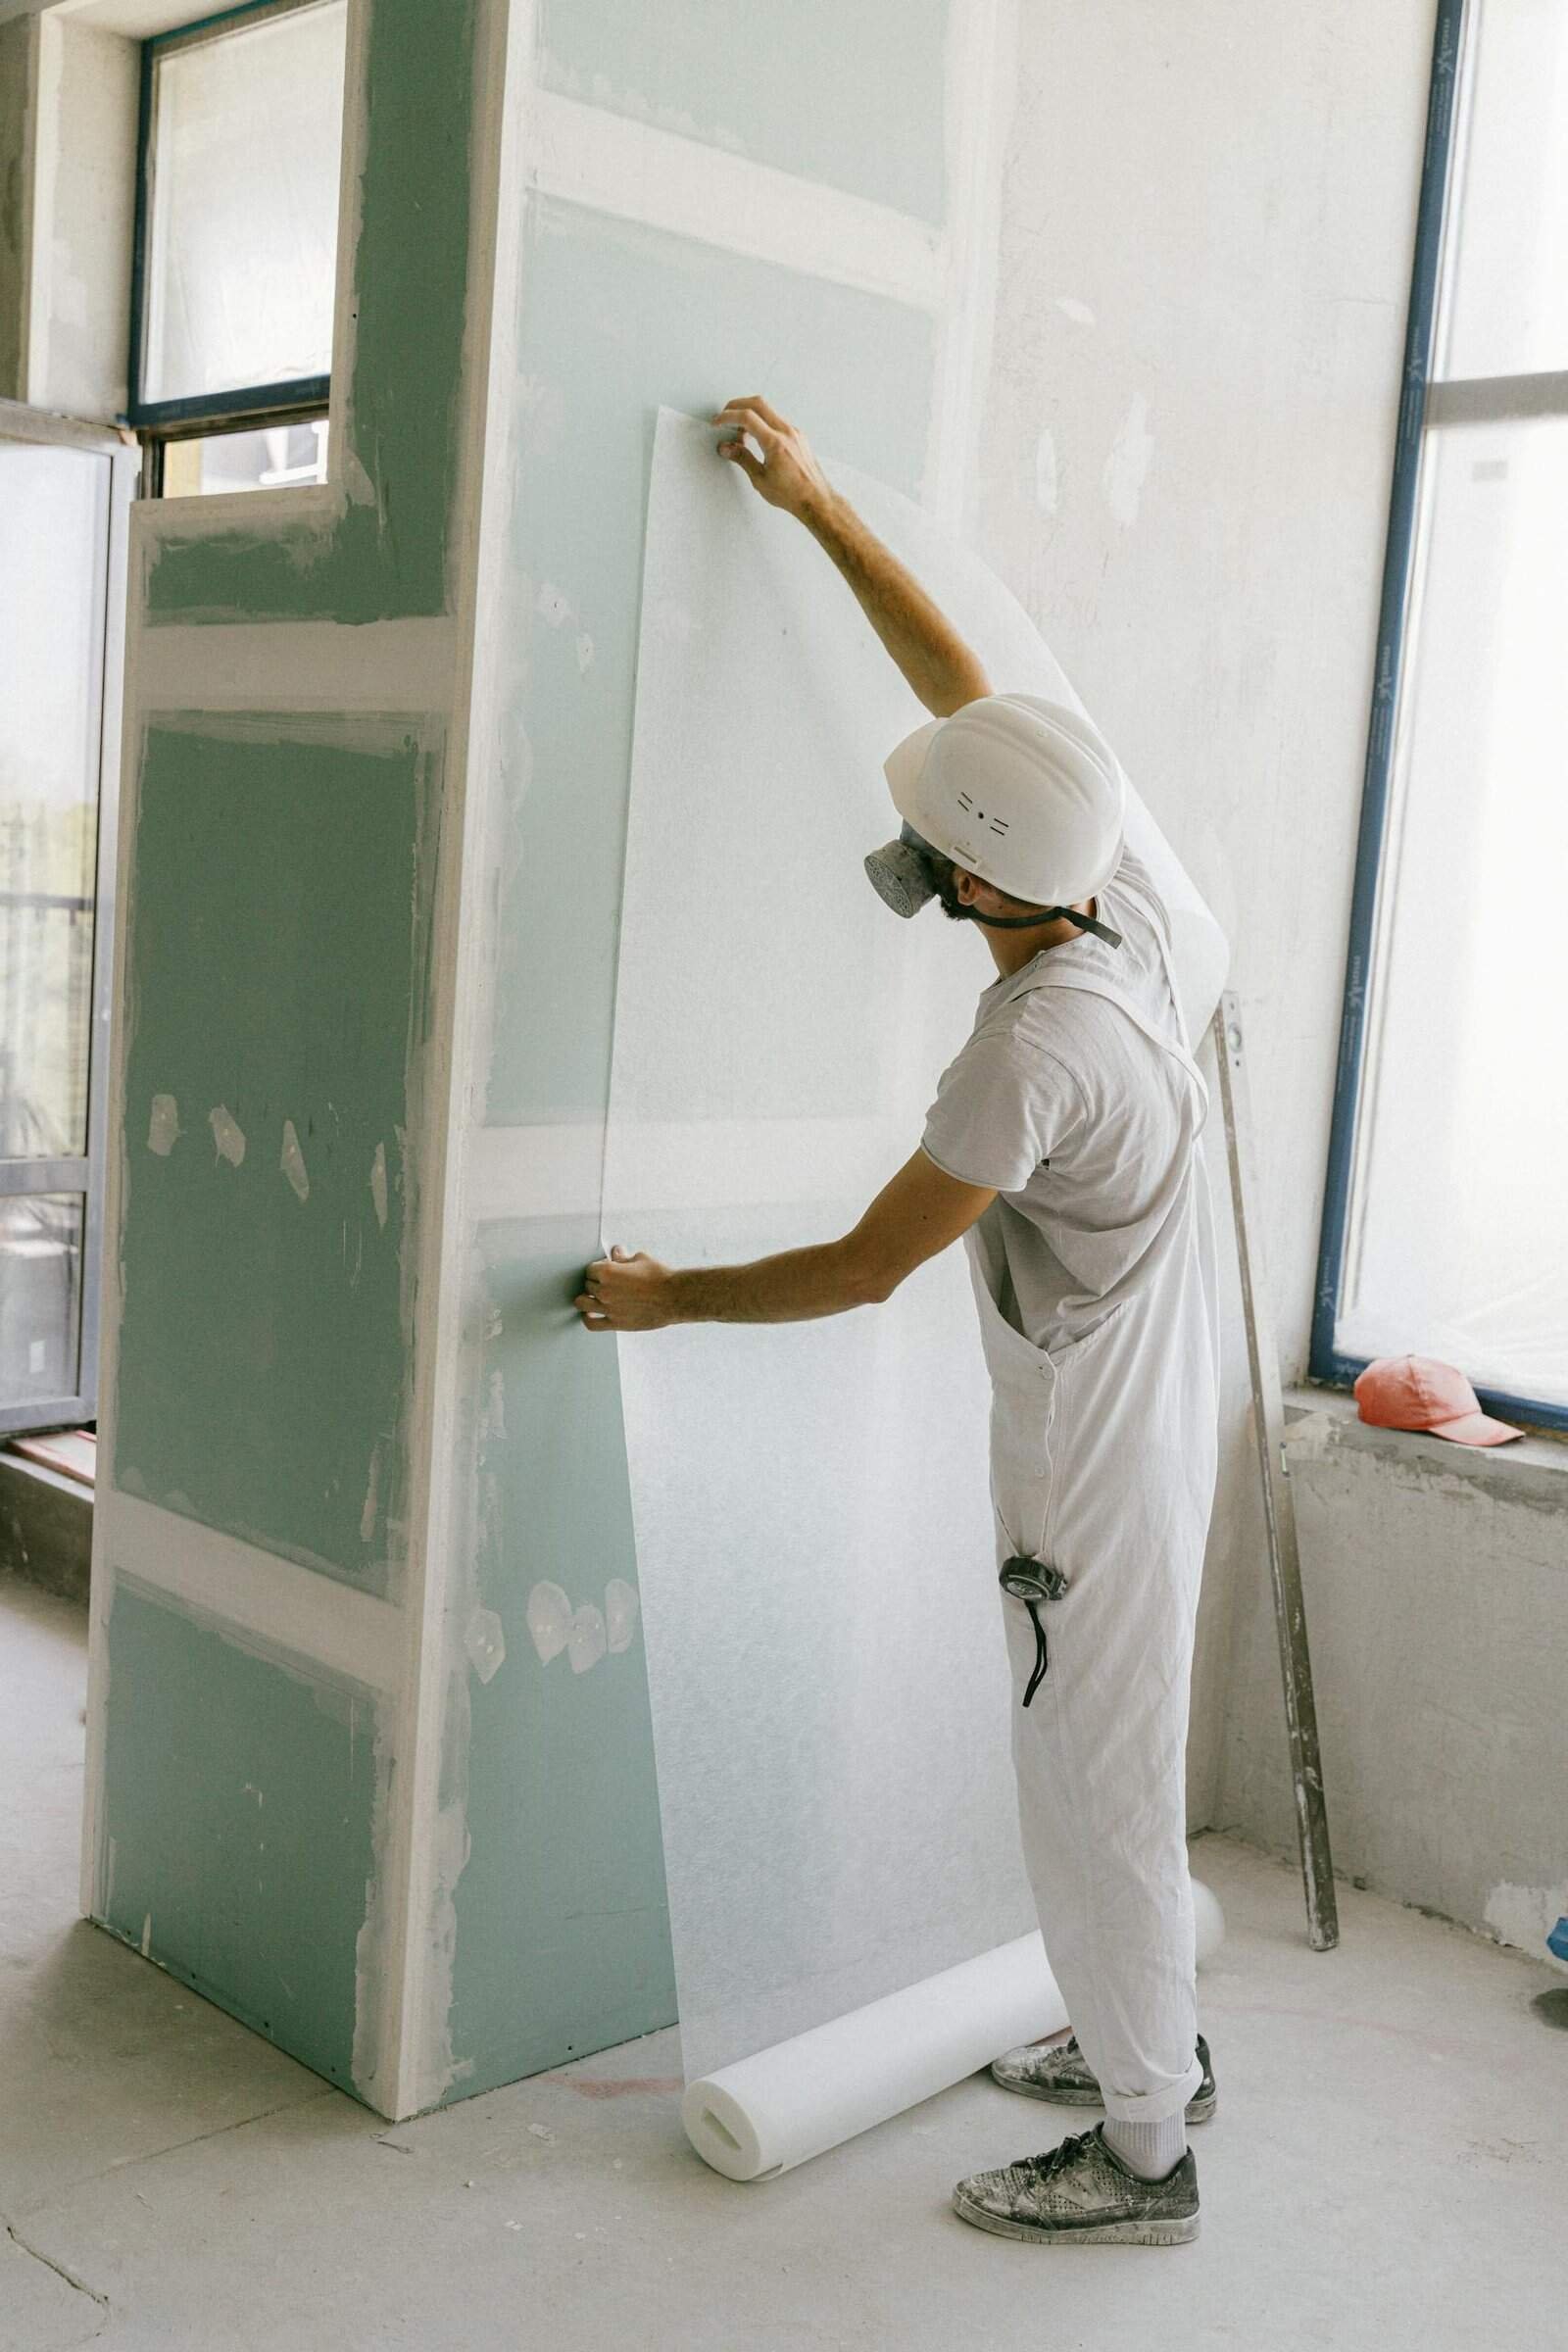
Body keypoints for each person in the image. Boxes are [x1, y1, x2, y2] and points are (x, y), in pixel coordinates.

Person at [576, 395, 1220, 2248]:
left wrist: (661, 1296)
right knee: (1120, 1767)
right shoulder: (1131, 898)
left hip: (1089, 1456)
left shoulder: (1029, 1052)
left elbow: (866, 1267)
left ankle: (1147, 2155)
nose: (921, 865)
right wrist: (822, 505)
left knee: (1087, 1783)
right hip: (1149, 1388)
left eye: (940, 853)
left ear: (980, 882)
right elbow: (973, 693)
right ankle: (1149, 2046)